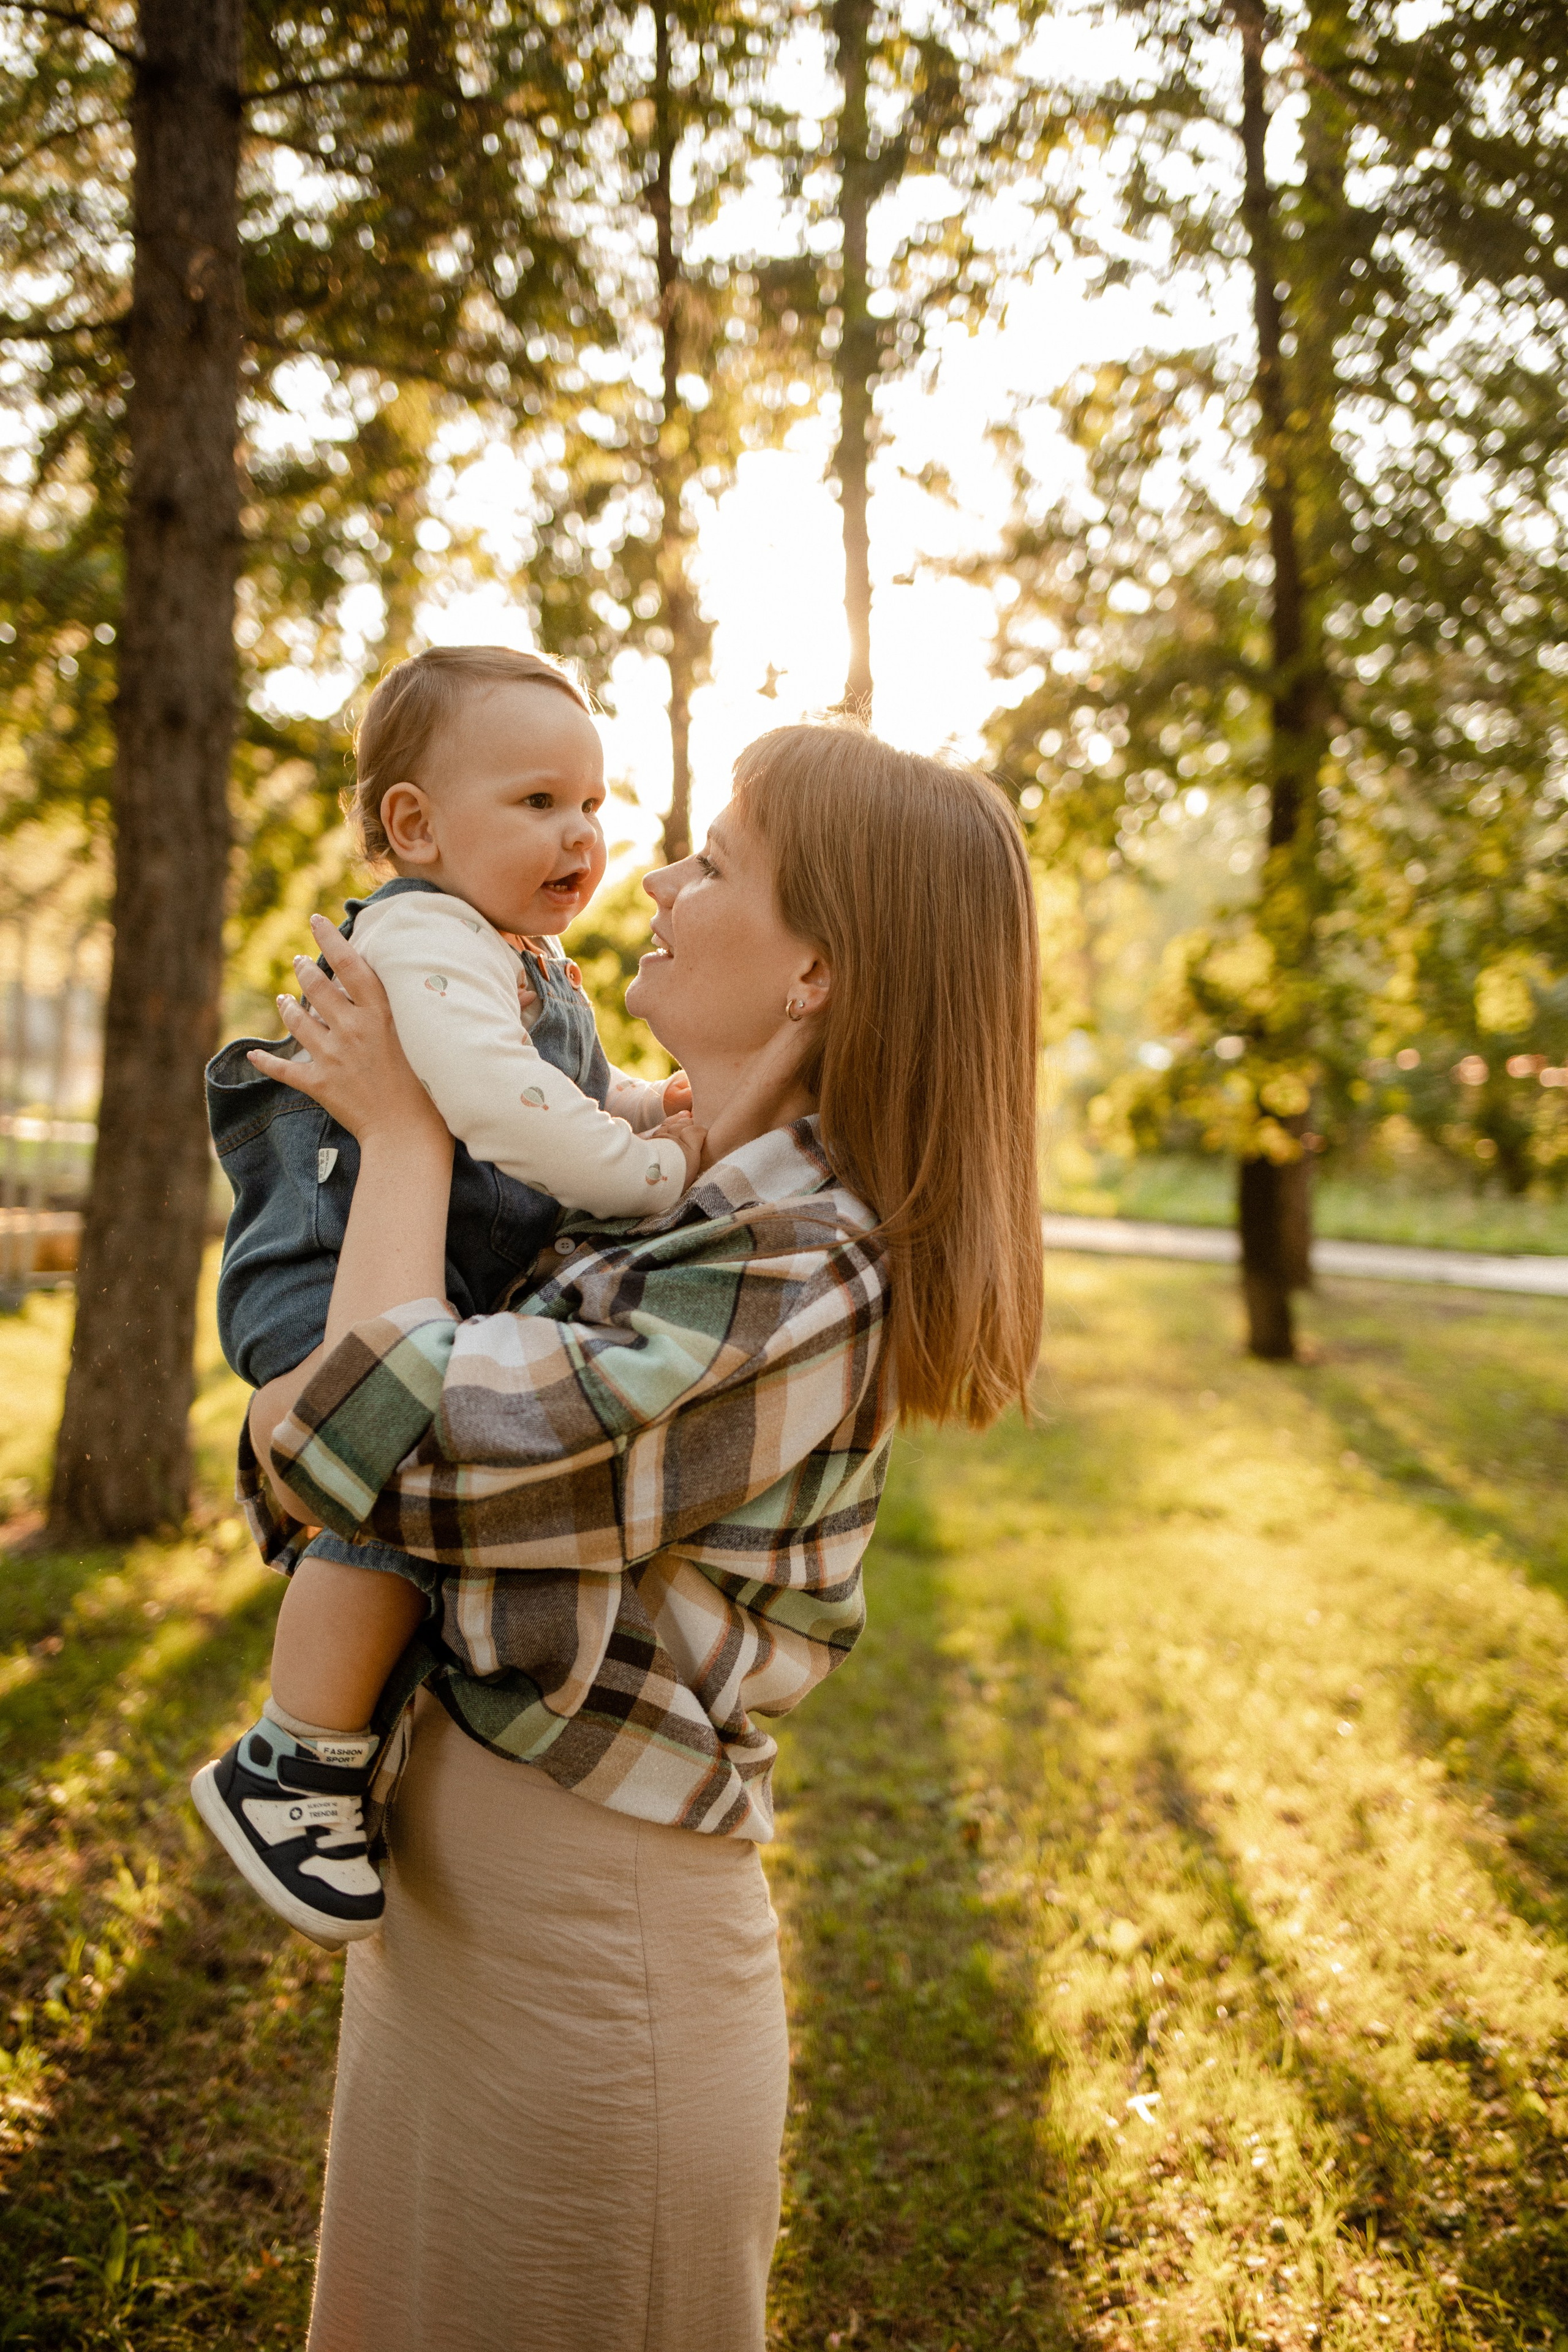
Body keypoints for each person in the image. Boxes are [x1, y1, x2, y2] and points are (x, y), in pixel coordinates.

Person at [241, 722, 1044, 2352]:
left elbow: (378, 1452)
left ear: (816, 971)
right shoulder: (675, 1198)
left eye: (718, 860)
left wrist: (403, 1138)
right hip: (464, 1894)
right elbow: (325, 1433)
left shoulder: (810, 1261)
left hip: (592, 1939)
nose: (657, 876)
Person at [194, 645, 701, 1946]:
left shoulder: (514, 954)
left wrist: (647, 1104)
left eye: (592, 803)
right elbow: (492, 1101)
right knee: (383, 1487)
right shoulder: (425, 934)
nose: (581, 833)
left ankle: (337, 1742)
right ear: (413, 825)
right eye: (537, 802)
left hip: (425, 1260)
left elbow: (562, 1093)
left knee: (424, 1481)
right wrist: (646, 1166)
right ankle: (291, 1756)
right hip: (326, 1269)